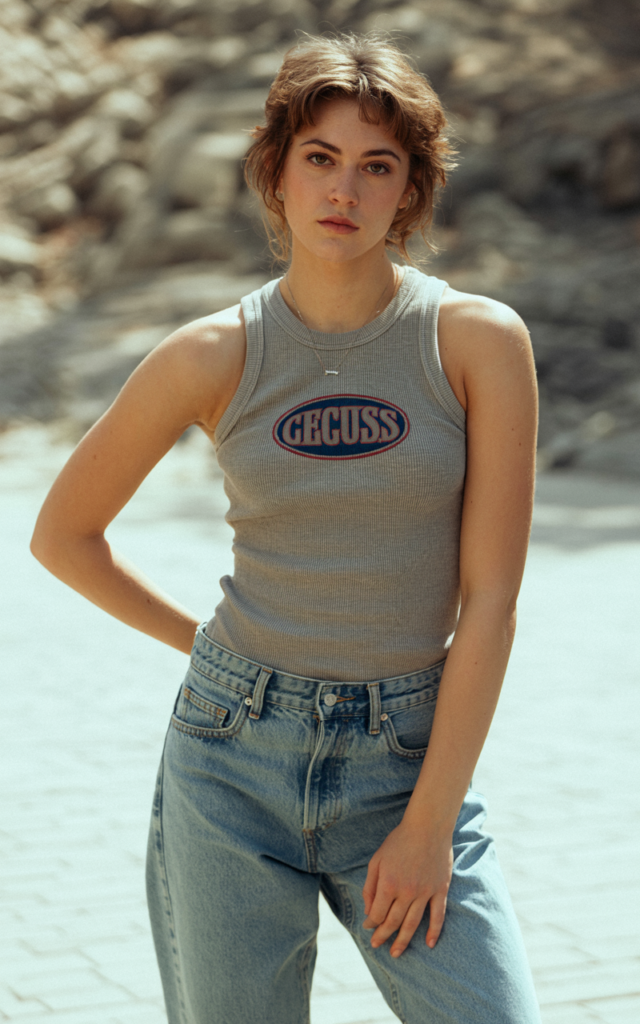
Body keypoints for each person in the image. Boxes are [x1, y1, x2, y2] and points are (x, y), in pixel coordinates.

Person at [31, 32, 541, 1024]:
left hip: (407, 760)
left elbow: (491, 602)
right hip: (228, 765)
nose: (342, 189)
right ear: (274, 170)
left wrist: (430, 821)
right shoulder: (210, 355)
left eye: (375, 165)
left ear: (410, 188)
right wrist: (207, 651)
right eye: (320, 157)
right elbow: (63, 534)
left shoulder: (476, 342)